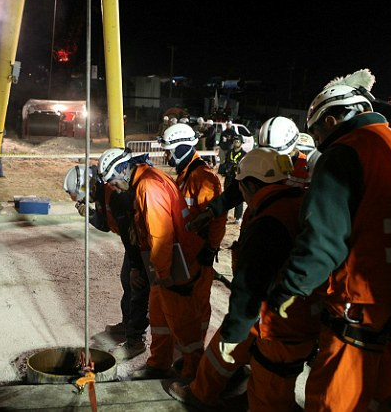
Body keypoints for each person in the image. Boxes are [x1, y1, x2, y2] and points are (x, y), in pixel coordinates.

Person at [267, 69, 391, 410]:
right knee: (387, 400)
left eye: (315, 131)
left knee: (331, 402)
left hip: (359, 312)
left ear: (331, 119)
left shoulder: (345, 152)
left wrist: (288, 289)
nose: (315, 141)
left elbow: (323, 240)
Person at [170, 147, 321, 410]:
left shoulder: (267, 222)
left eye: (241, 186)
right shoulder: (292, 200)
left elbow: (250, 285)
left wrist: (235, 330)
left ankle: (222, 397)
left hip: (280, 321)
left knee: (270, 390)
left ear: (251, 184)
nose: (239, 193)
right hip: (289, 311)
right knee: (244, 362)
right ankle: (218, 393)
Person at [97, 148, 205, 380]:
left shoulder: (149, 187)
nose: (113, 188)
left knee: (181, 323)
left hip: (176, 263)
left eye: (114, 181)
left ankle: (193, 375)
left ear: (123, 170)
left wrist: (163, 273)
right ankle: (159, 363)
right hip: (168, 263)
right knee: (159, 318)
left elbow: (160, 235)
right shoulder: (147, 179)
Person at [63, 163, 149, 361]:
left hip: (143, 244)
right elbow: (106, 224)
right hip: (135, 244)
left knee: (138, 287)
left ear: (89, 186)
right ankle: (128, 324)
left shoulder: (115, 194)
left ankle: (136, 340)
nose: (85, 200)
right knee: (126, 280)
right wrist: (90, 215)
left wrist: (136, 266)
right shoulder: (102, 194)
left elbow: (130, 233)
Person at [159, 123, 227, 343]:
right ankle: (187, 353)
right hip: (187, 253)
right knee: (183, 306)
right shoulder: (187, 175)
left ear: (181, 148)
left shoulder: (203, 178)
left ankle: (194, 359)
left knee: (196, 307)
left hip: (198, 254)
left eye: (168, 150)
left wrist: (211, 248)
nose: (166, 155)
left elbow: (216, 218)